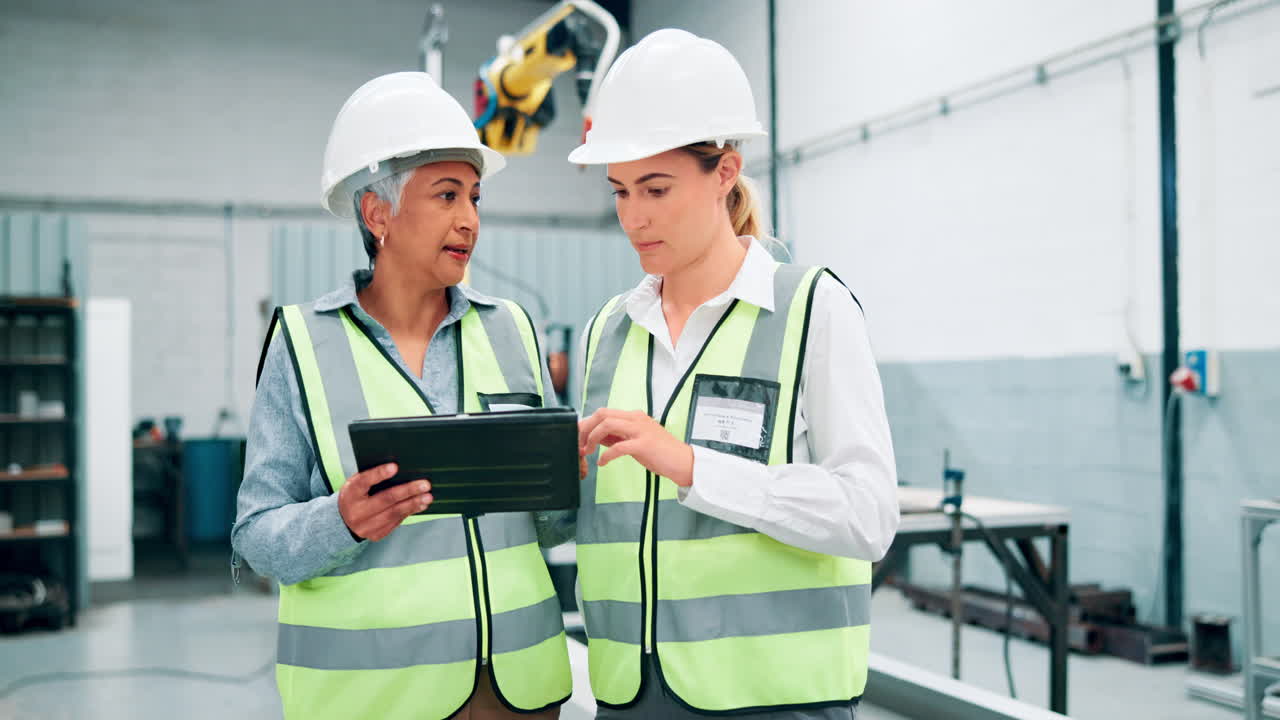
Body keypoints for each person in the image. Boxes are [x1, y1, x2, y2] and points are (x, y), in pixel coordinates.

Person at [569, 30, 900, 718]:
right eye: (621, 191)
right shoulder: (610, 329)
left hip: (774, 697)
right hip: (631, 694)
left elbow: (869, 515)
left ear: (725, 172)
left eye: (656, 188)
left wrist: (693, 467)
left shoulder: (812, 309)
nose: (633, 217)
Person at [232, 72, 570, 720]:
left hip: (517, 691)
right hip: (375, 698)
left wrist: (567, 475)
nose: (469, 220)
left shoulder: (512, 330)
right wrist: (342, 520)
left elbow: (548, 523)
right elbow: (256, 534)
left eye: (474, 197)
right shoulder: (303, 343)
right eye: (446, 195)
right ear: (377, 213)